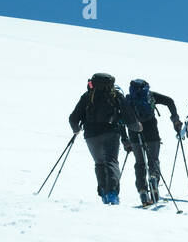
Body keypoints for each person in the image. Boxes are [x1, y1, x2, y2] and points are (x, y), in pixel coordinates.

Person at [68, 72, 141, 204]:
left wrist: (76, 130)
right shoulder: (115, 96)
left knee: (100, 163)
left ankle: (103, 193)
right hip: (110, 133)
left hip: (91, 135)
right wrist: (137, 127)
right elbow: (129, 117)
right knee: (111, 162)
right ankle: (112, 193)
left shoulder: (87, 96)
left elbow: (73, 118)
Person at [125, 79, 181, 207]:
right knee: (153, 160)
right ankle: (154, 177)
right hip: (151, 132)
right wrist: (175, 119)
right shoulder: (151, 95)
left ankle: (142, 190)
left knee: (139, 163)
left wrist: (125, 139)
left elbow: (122, 118)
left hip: (134, 133)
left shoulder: (127, 99)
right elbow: (169, 101)